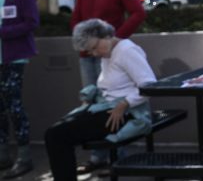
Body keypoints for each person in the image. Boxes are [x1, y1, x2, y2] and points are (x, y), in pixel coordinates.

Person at [45, 19, 155, 181]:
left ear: (106, 35)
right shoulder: (108, 53)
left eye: (95, 47)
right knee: (56, 132)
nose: (95, 54)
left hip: (126, 113)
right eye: (91, 51)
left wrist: (124, 104)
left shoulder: (127, 51)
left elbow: (149, 85)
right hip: (108, 109)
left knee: (56, 135)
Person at [69, 0, 146, 173]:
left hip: (111, 54)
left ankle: (118, 154)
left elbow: (138, 13)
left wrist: (117, 39)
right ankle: (98, 154)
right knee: (92, 100)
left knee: (113, 101)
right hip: (88, 54)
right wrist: (82, 42)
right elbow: (76, 19)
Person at [0, 0, 38, 179]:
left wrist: (4, 32)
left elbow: (31, 22)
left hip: (14, 57)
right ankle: (3, 154)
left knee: (14, 105)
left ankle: (25, 157)